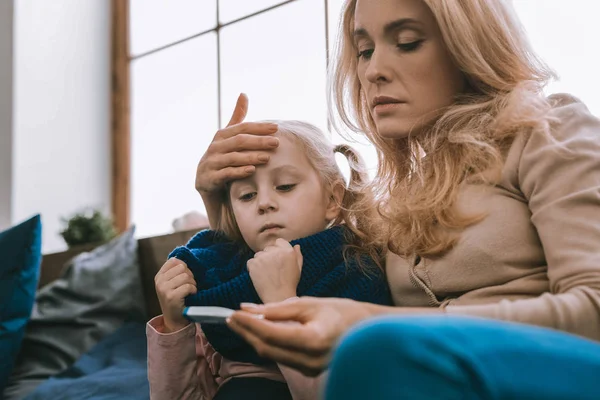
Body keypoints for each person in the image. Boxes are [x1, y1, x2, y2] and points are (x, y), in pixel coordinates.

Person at [194, 0, 600, 398]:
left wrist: (375, 324)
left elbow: (594, 309)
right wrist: (218, 197)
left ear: (467, 46)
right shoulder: (397, 198)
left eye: (406, 42)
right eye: (364, 51)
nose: (373, 71)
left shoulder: (549, 130)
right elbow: (285, 259)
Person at [146, 120, 392, 400]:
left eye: (285, 186)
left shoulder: (359, 271)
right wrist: (175, 325)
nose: (264, 202)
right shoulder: (218, 284)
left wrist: (281, 302)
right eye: (247, 195)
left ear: (333, 199)